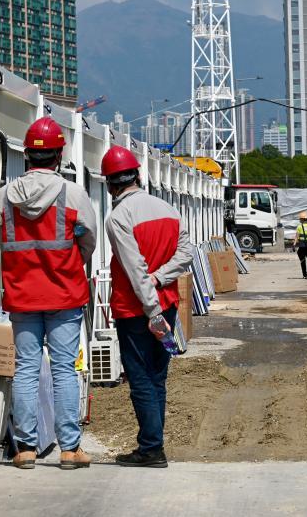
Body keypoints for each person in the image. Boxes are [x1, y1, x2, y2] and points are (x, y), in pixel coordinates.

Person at [0, 117, 97, 470]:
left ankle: (25, 449)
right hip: (65, 294)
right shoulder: (74, 194)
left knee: (24, 369)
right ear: (59, 156)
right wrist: (70, 265)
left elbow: (5, 243)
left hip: (22, 294)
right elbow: (88, 240)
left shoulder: (4, 196)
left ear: (27, 155)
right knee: (64, 370)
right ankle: (69, 450)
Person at [102, 146, 193, 468]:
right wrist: (161, 279)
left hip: (136, 311)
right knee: (157, 376)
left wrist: (151, 305)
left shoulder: (118, 217)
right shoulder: (166, 208)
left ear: (110, 184)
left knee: (141, 378)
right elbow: (186, 254)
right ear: (138, 176)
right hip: (165, 305)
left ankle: (152, 448)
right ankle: (153, 443)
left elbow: (133, 268)